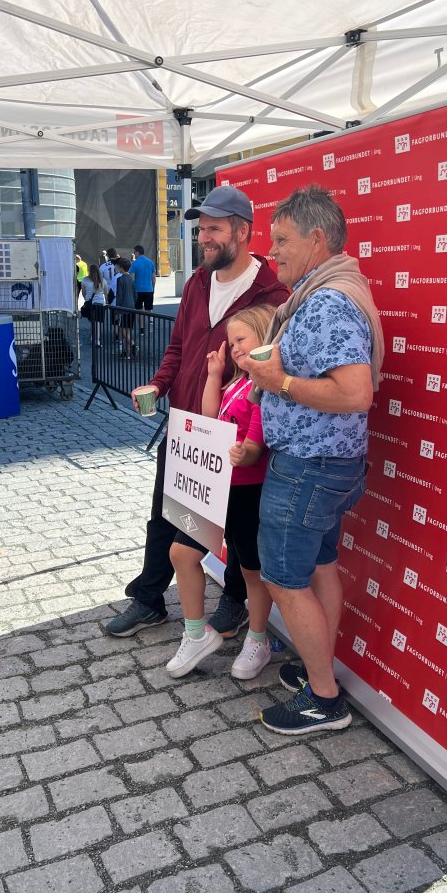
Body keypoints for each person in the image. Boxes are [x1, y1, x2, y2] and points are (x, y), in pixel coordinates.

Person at [105, 184, 288, 638]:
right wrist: (158, 383)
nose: (203, 237)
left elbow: (272, 368)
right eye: (201, 229)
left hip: (236, 429)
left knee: (240, 527)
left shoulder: (273, 291)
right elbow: (179, 348)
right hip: (186, 424)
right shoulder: (197, 282)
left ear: (242, 232)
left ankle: (234, 600)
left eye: (213, 229)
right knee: (167, 515)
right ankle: (149, 599)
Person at [243, 185, 384, 736]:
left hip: (309, 465)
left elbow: (354, 393)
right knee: (321, 565)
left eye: (282, 241)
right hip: (328, 464)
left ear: (317, 239)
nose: (271, 252)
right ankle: (314, 664)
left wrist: (278, 380)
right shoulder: (325, 291)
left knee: (282, 577)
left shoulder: (326, 301)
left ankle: (323, 701)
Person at [166, 305, 276, 680]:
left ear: (265, 338)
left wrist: (247, 451)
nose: (234, 349)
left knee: (252, 569)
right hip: (213, 489)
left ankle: (258, 639)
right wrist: (215, 374)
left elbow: (256, 443)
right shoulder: (237, 382)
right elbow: (211, 416)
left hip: (247, 493)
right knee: (181, 552)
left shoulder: (264, 387)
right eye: (231, 343)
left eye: (241, 340)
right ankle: (196, 633)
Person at [115, 256, 137, 358]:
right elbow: (135, 294)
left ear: (121, 268)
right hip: (132, 307)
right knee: (128, 330)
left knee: (123, 331)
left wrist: (117, 311)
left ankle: (132, 345)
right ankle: (128, 353)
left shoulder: (120, 280)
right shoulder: (131, 279)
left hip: (124, 308)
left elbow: (119, 296)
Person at [80, 262, 106, 346]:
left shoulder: (85, 280)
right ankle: (97, 340)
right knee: (98, 322)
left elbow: (83, 292)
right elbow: (106, 292)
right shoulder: (102, 280)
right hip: (100, 303)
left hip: (90, 304)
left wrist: (87, 299)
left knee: (92, 322)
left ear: (89, 271)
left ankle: (93, 337)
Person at [130, 244, 156, 313]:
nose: (134, 254)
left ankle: (141, 324)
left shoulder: (134, 263)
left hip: (138, 290)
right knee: (148, 309)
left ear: (137, 252)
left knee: (138, 310)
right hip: (149, 289)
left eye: (134, 252)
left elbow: (132, 278)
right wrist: (153, 288)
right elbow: (153, 278)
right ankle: (149, 323)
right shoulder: (150, 262)